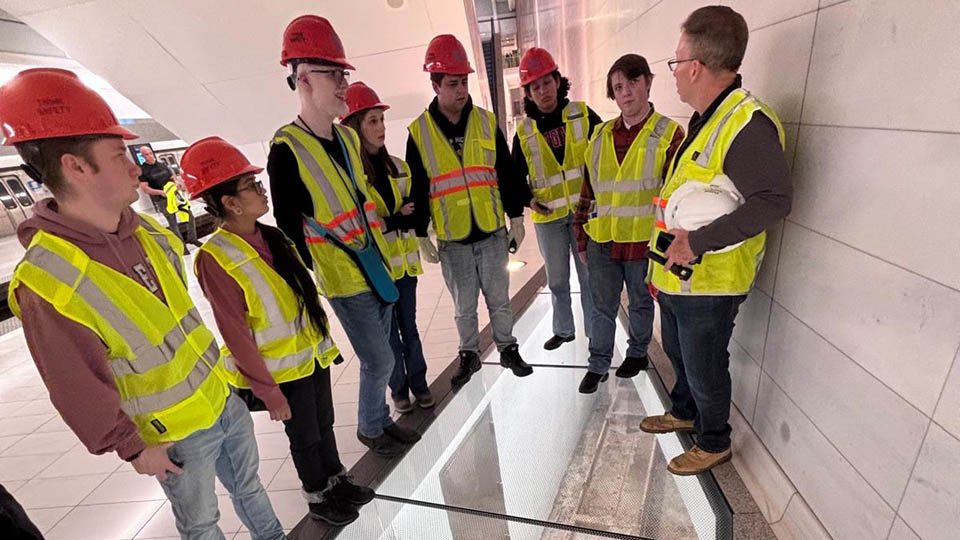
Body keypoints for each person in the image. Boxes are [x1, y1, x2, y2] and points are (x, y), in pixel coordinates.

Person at [1, 68, 285, 540]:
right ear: (76, 167)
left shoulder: (149, 232)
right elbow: (75, 385)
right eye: (119, 155)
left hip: (222, 401)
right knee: (202, 524)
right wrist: (132, 449)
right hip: (172, 437)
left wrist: (230, 392)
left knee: (251, 488)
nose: (136, 167)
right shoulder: (46, 279)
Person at [184, 136, 375, 526]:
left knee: (323, 423)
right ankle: (318, 495)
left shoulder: (271, 235)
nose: (260, 190)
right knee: (304, 437)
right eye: (250, 186)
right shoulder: (215, 257)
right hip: (278, 372)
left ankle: (336, 479)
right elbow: (235, 332)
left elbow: (299, 300)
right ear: (229, 202)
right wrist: (267, 391)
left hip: (309, 357)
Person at [640, 6, 792, 475]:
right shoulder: (707, 117)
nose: (674, 72)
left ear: (695, 66)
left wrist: (698, 242)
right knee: (681, 354)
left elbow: (772, 200)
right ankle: (685, 413)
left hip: (710, 282)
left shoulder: (745, 125)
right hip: (680, 276)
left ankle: (714, 439)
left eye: (675, 61)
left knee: (706, 367)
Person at [267, 15, 420, 457]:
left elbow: (363, 202)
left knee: (384, 354)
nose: (342, 84)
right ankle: (371, 428)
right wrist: (309, 283)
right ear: (301, 78)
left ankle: (378, 422)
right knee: (380, 359)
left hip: (377, 265)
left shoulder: (347, 139)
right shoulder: (285, 150)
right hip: (341, 276)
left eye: (343, 73)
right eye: (333, 74)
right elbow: (290, 230)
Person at [407, 34, 532, 386]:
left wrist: (517, 217)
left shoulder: (485, 120)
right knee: (464, 307)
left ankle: (508, 348)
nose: (461, 90)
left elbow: (505, 172)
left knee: (499, 299)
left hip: (491, 231)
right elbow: (417, 185)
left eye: (463, 81)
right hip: (453, 238)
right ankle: (469, 355)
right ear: (435, 85)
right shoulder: (419, 133)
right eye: (452, 83)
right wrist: (420, 233)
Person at [573, 54, 684, 394]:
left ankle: (637, 353)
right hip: (603, 240)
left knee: (639, 302)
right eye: (618, 86)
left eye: (632, 82)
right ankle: (598, 363)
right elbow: (588, 191)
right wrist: (580, 236)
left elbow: (677, 197)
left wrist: (669, 246)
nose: (626, 92)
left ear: (648, 82)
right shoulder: (601, 135)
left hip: (643, 241)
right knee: (601, 305)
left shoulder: (669, 134)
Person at [340, 82, 434, 413]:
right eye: (372, 121)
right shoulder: (351, 179)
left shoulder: (400, 167)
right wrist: (395, 218)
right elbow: (360, 226)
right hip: (376, 273)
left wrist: (396, 218)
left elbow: (417, 209)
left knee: (409, 329)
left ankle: (420, 384)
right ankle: (399, 390)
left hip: (404, 267)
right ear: (353, 127)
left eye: (381, 119)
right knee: (387, 338)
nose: (380, 128)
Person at [511, 47, 601, 351]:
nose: (543, 91)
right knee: (558, 280)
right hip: (548, 217)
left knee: (589, 276)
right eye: (535, 87)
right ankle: (563, 329)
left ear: (557, 82)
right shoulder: (522, 132)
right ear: (528, 93)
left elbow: (606, 155)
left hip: (583, 213)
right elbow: (513, 177)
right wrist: (528, 201)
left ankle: (594, 334)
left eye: (547, 83)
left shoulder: (583, 114)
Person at [137, 145, 200, 247]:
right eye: (146, 154)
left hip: (174, 196)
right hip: (162, 199)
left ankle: (192, 238)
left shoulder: (162, 165)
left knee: (189, 215)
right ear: (143, 156)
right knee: (172, 222)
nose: (149, 156)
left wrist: (176, 183)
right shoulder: (143, 170)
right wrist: (160, 192)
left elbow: (172, 177)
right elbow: (145, 188)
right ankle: (181, 245)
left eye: (150, 153)